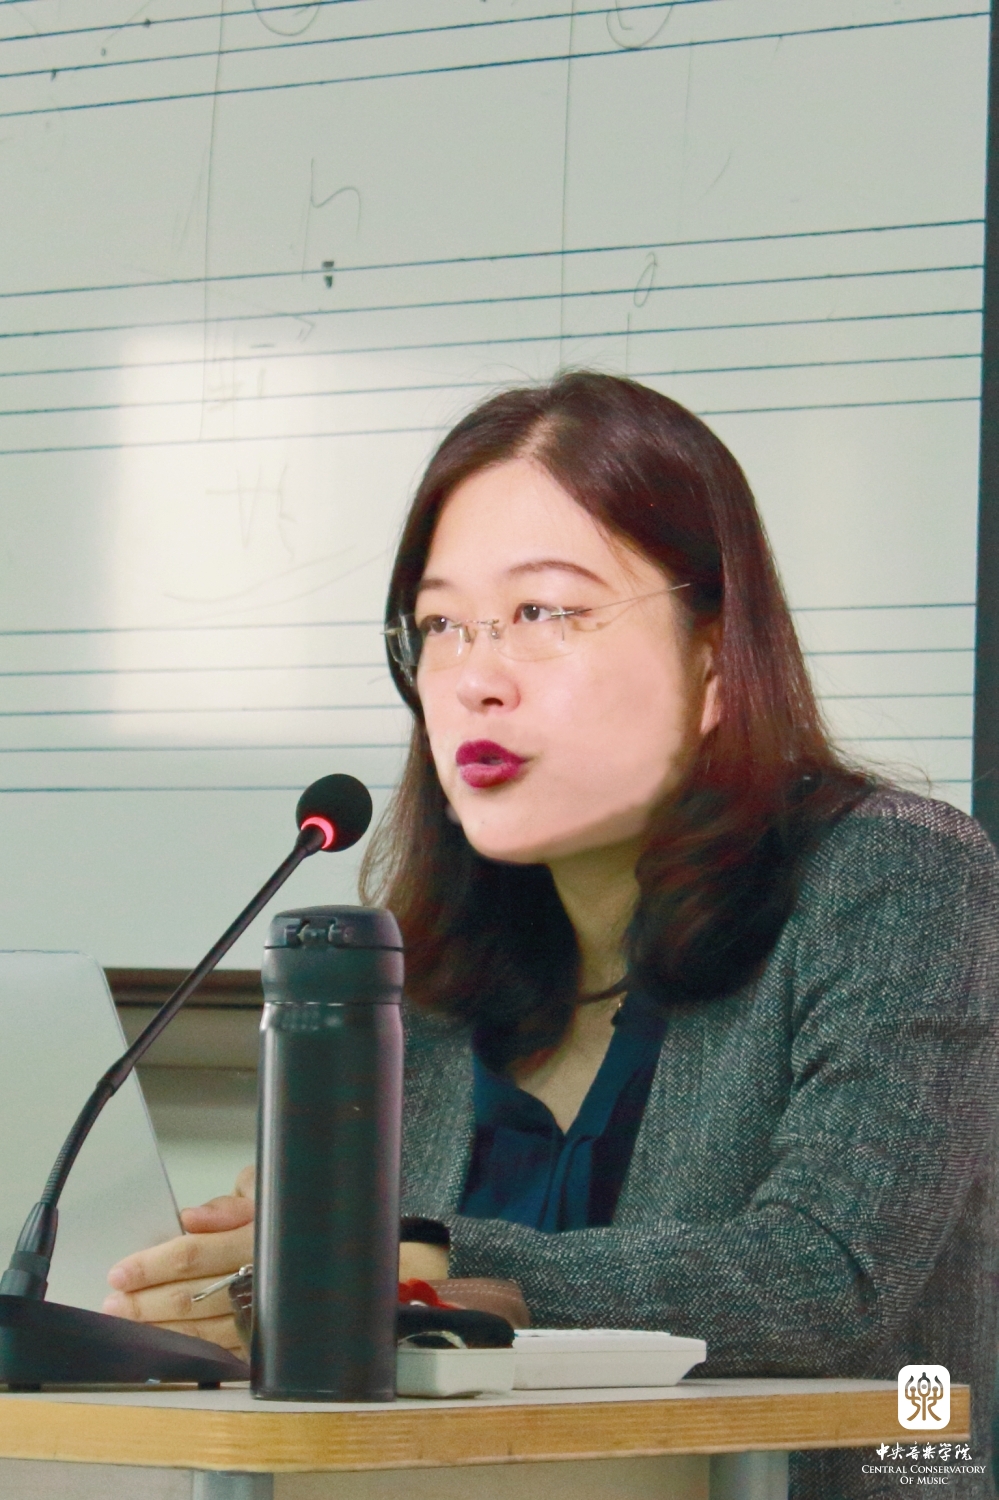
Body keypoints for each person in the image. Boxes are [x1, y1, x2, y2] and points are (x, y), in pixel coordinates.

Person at [104, 373, 999, 1500]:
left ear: (714, 658)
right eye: (441, 625)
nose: (474, 679)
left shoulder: (898, 876)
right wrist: (246, 1296)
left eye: (544, 613)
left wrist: (419, 1258)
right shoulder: (418, 978)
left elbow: (827, 1283)